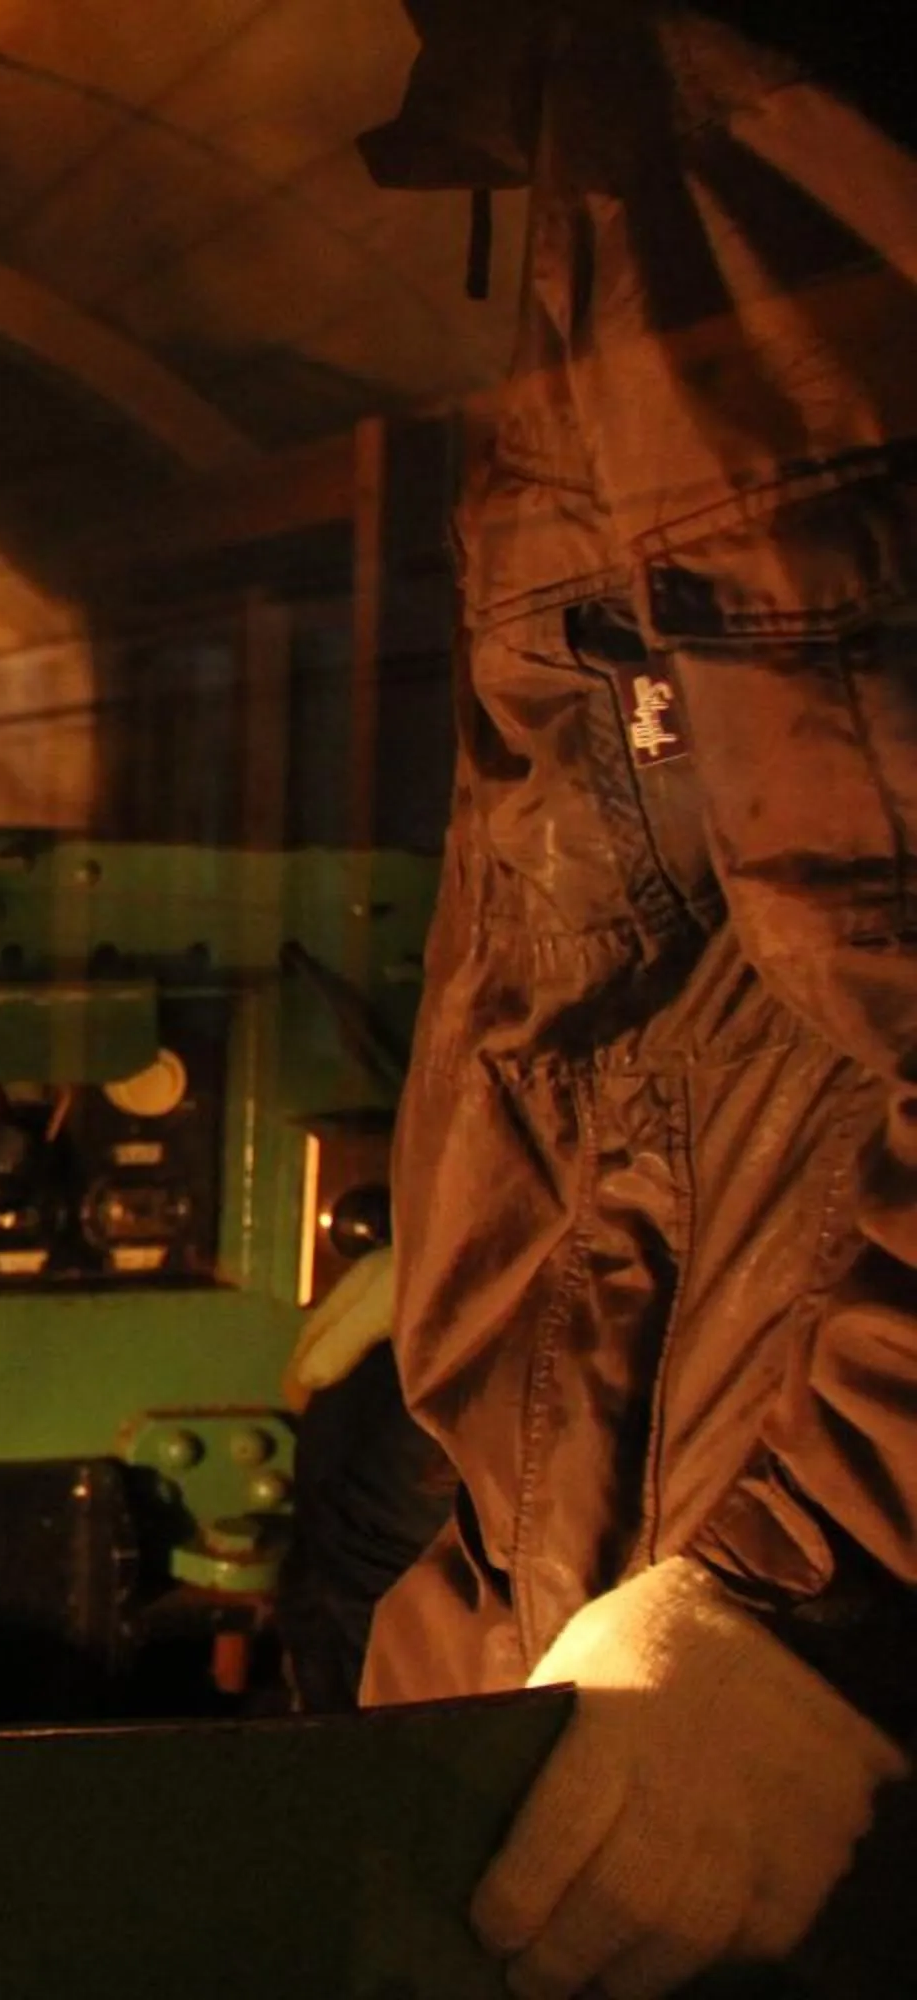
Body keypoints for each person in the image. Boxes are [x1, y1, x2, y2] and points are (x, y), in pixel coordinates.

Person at [354, 4, 917, 1994]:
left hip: (777, 1787)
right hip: (626, 1699)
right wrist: (452, 1688)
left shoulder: (754, 118)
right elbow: (594, 1073)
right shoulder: (628, 158)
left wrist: (821, 1603)